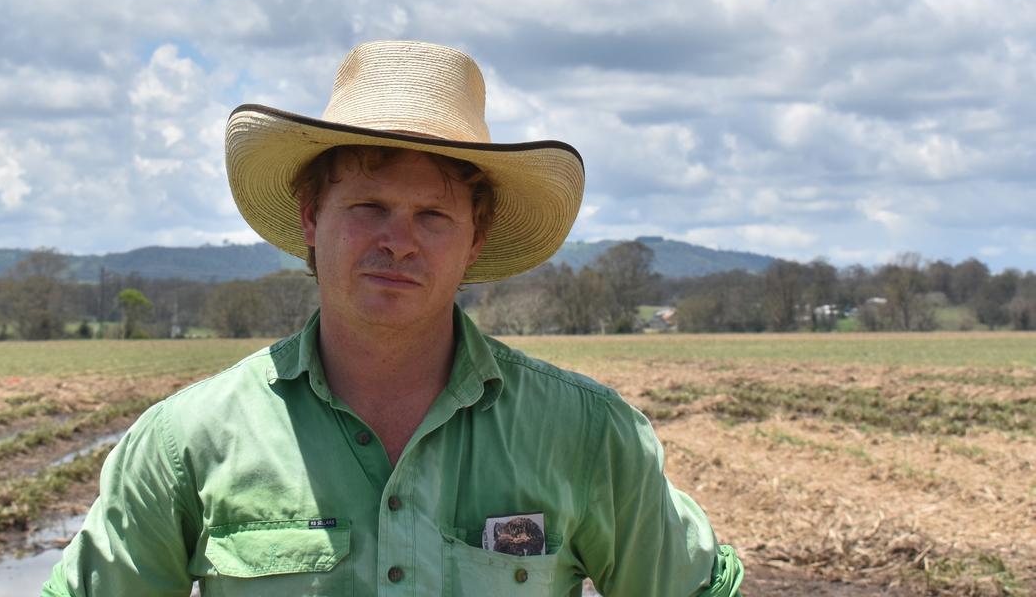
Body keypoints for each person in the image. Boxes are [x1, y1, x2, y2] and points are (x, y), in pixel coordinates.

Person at [43, 40, 744, 596]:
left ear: (474, 240)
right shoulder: (186, 442)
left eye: (433, 216)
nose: (398, 241)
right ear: (311, 219)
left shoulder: (585, 434)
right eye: (368, 207)